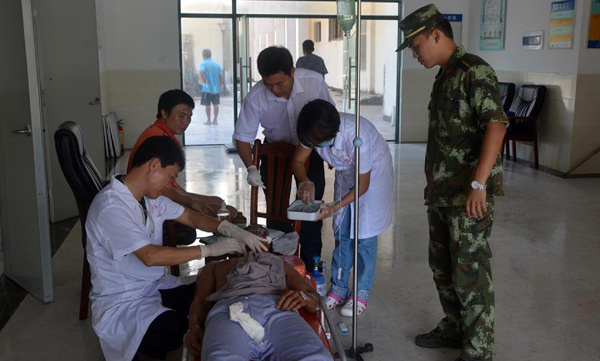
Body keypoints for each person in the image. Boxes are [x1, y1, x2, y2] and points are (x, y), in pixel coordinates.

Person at [86, 136, 269, 361]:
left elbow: (191, 217)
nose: (170, 185)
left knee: (212, 290)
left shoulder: (147, 198)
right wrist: (209, 251)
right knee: (178, 329)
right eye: (171, 177)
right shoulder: (111, 207)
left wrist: (231, 229)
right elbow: (150, 256)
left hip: (152, 287)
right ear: (154, 165)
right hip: (123, 302)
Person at [396, 4, 508, 361]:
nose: (414, 55)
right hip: (444, 192)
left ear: (436, 34)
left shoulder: (474, 71)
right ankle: (454, 325)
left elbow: (496, 125)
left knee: (470, 271)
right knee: (442, 265)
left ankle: (479, 349)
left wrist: (478, 185)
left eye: (416, 47)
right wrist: (433, 180)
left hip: (468, 195)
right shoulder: (445, 74)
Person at [233, 46, 334, 270]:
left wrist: (329, 151)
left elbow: (329, 117)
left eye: (280, 83)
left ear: (292, 71)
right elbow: (242, 137)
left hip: (310, 153)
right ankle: (279, 266)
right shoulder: (256, 96)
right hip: (275, 154)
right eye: (269, 85)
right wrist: (251, 167)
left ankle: (309, 266)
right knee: (276, 213)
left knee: (310, 212)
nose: (275, 90)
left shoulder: (314, 82)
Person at [290, 99, 393, 317]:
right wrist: (304, 180)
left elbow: (362, 186)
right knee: (343, 233)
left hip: (373, 177)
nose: (313, 146)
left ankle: (361, 292)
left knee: (364, 237)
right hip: (347, 173)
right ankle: (338, 287)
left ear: (331, 135)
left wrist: (333, 207)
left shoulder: (358, 135)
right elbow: (297, 161)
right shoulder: (314, 131)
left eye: (317, 143)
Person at [128, 89, 234, 245]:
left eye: (189, 117)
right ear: (164, 113)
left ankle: (222, 242)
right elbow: (162, 189)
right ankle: (223, 246)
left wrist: (190, 198)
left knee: (219, 201)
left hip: (162, 195)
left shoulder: (160, 133)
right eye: (181, 116)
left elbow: (171, 185)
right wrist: (190, 201)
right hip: (153, 202)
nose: (186, 122)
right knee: (229, 211)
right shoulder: (157, 139)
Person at [185, 251, 333, 361]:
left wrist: (305, 297)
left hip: (279, 309)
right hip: (229, 311)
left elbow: (313, 297)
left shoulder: (279, 264)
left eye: (262, 231)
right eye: (252, 230)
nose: (257, 233)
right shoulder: (215, 266)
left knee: (316, 358)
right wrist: (194, 327)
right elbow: (200, 301)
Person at [199, 49, 224, 125]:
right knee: (216, 104)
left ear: (203, 55)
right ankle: (215, 120)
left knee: (207, 105)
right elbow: (220, 76)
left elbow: (201, 71)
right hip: (216, 88)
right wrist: (219, 85)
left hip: (206, 88)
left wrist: (204, 80)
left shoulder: (203, 64)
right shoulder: (217, 64)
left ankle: (209, 120)